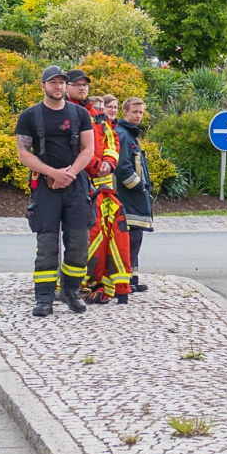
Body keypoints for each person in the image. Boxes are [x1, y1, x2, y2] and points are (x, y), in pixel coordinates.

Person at [14, 66, 95, 317]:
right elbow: (23, 153)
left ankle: (70, 291)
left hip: (76, 184)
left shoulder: (80, 114)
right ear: (43, 86)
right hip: (45, 186)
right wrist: (52, 173)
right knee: (47, 244)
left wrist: (67, 175)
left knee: (79, 243)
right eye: (53, 82)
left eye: (62, 82)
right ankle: (44, 297)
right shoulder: (29, 116)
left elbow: (88, 149)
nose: (58, 86)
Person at [67, 70, 132, 305]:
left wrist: (109, 162)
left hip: (102, 186)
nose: (82, 88)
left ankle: (101, 283)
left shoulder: (96, 113)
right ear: (66, 87)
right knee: (80, 236)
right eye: (77, 84)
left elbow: (111, 139)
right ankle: (72, 286)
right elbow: (71, 147)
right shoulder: (64, 111)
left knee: (107, 235)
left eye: (85, 84)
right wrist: (96, 165)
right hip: (76, 182)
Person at [114, 98, 154, 294]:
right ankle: (126, 280)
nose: (138, 115)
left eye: (141, 112)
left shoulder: (130, 134)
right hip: (128, 200)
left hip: (134, 199)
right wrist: (139, 187)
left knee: (135, 238)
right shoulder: (123, 135)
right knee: (130, 239)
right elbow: (122, 168)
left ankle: (133, 278)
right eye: (135, 112)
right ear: (125, 112)